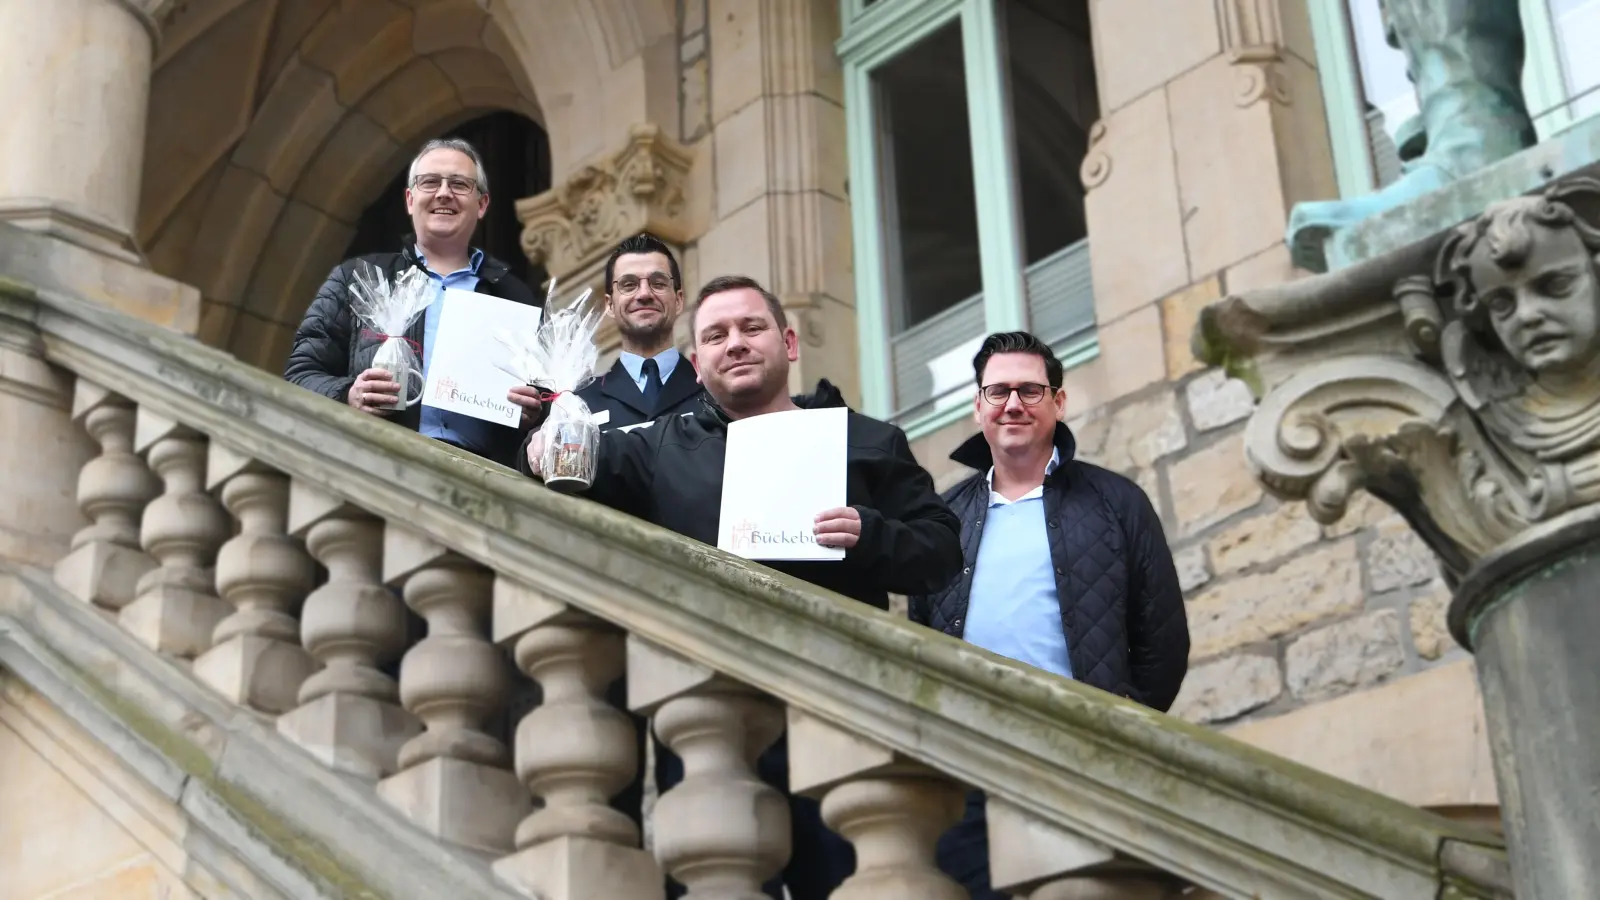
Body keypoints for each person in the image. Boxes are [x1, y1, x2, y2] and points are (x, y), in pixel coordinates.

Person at [520, 274, 962, 899]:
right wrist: (544, 437)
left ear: (788, 342)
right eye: (717, 335)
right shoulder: (658, 447)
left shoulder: (865, 439)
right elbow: (566, 470)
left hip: (837, 704)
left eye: (752, 328)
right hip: (710, 713)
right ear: (696, 364)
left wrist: (871, 534)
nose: (736, 343)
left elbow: (941, 550)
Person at [907, 330, 1189, 899]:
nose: (1013, 404)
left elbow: (1163, 640)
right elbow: (922, 632)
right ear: (978, 406)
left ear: (1059, 403)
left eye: (1031, 391)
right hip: (969, 762)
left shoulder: (1115, 502)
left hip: (1083, 754)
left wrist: (1117, 719)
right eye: (999, 391)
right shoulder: (944, 516)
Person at [283, 137, 545, 467]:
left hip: (485, 476)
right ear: (410, 199)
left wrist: (534, 410)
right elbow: (300, 375)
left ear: (481, 204)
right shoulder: (359, 279)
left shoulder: (515, 297)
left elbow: (553, 398)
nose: (444, 193)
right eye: (430, 182)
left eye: (460, 184)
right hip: (380, 464)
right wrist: (348, 394)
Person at [578, 232, 705, 431]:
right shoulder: (580, 404)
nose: (644, 294)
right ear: (610, 305)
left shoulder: (713, 390)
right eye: (629, 285)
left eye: (658, 283)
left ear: (679, 300)